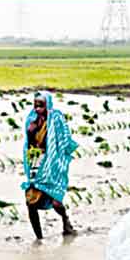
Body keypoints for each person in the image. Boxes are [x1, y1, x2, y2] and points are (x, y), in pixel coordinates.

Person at [20, 91, 78, 239]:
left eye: (41, 105)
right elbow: (30, 145)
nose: (38, 109)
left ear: (48, 106)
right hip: (36, 165)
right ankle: (39, 238)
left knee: (56, 202)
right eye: (35, 105)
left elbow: (63, 141)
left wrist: (58, 157)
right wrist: (31, 133)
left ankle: (66, 221)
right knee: (30, 202)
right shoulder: (31, 122)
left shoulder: (55, 120)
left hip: (53, 164)